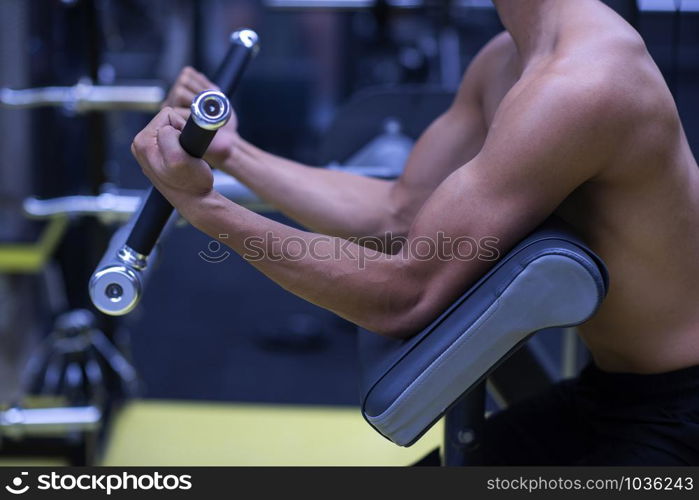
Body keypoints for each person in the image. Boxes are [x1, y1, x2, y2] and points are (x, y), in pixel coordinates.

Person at [130, 0, 699, 465]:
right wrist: (235, 154)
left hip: (681, 413)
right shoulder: (508, 59)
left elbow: (406, 296)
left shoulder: (583, 82)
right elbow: (398, 216)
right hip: (608, 394)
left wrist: (204, 208)